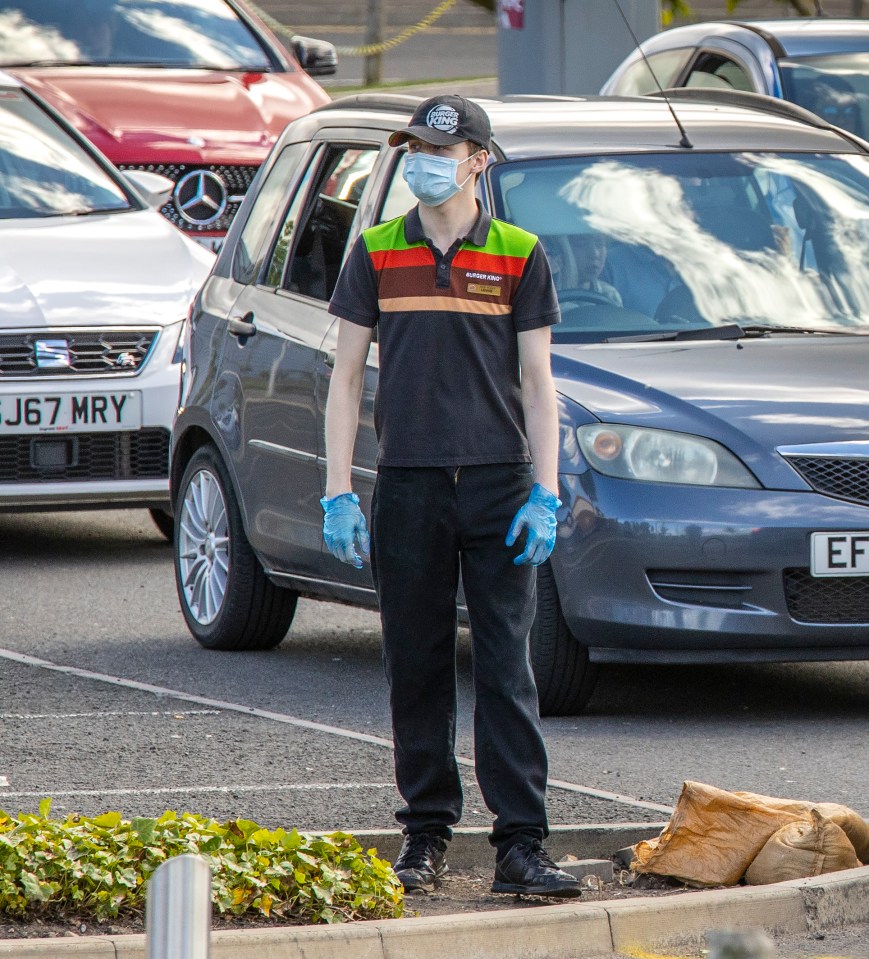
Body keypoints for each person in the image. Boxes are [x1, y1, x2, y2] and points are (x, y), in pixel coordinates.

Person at [320, 95, 581, 900]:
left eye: (439, 147)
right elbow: (344, 378)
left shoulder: (518, 252)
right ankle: (425, 836)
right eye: (413, 148)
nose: (420, 160)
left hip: (498, 483)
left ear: (478, 158)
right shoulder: (373, 250)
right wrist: (337, 489)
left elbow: (539, 384)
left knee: (506, 666)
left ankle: (520, 846)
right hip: (408, 482)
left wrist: (546, 491)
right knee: (417, 665)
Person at [570, 229, 622, 305]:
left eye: (599, 243)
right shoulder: (549, 296)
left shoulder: (609, 296)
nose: (595, 254)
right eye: (582, 244)